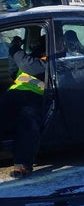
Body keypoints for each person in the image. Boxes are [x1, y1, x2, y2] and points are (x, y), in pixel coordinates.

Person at [1, 33, 47, 179]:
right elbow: (14, 72)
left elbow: (29, 66)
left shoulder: (48, 61)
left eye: (37, 43)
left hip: (33, 97)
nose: (33, 45)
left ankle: (22, 165)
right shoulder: (31, 58)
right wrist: (13, 53)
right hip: (13, 94)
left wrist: (15, 49)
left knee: (28, 123)